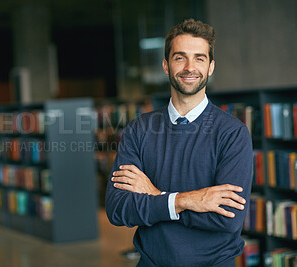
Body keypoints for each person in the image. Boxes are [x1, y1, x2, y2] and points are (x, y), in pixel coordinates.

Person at [105, 18, 253, 267]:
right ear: (166, 65)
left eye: (199, 58)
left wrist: (156, 196)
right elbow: (118, 208)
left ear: (211, 67)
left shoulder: (232, 133)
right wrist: (184, 201)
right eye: (179, 57)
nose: (189, 67)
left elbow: (228, 219)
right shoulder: (139, 129)